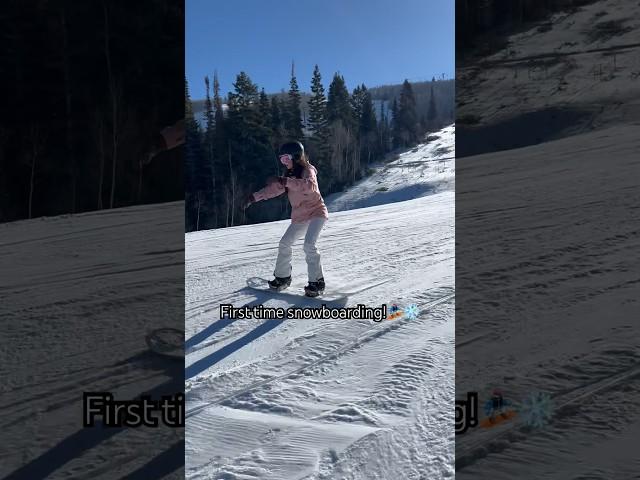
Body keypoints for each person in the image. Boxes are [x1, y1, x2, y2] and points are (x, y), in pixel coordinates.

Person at [244, 141, 329, 297]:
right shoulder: (288, 175)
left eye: (286, 158)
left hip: (317, 212)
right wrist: (253, 198)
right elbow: (274, 189)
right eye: (282, 159)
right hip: (300, 217)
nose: (284, 162)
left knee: (309, 244)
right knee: (284, 243)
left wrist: (286, 181)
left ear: (296, 156)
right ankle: (283, 278)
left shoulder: (308, 170)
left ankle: (317, 282)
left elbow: (310, 187)